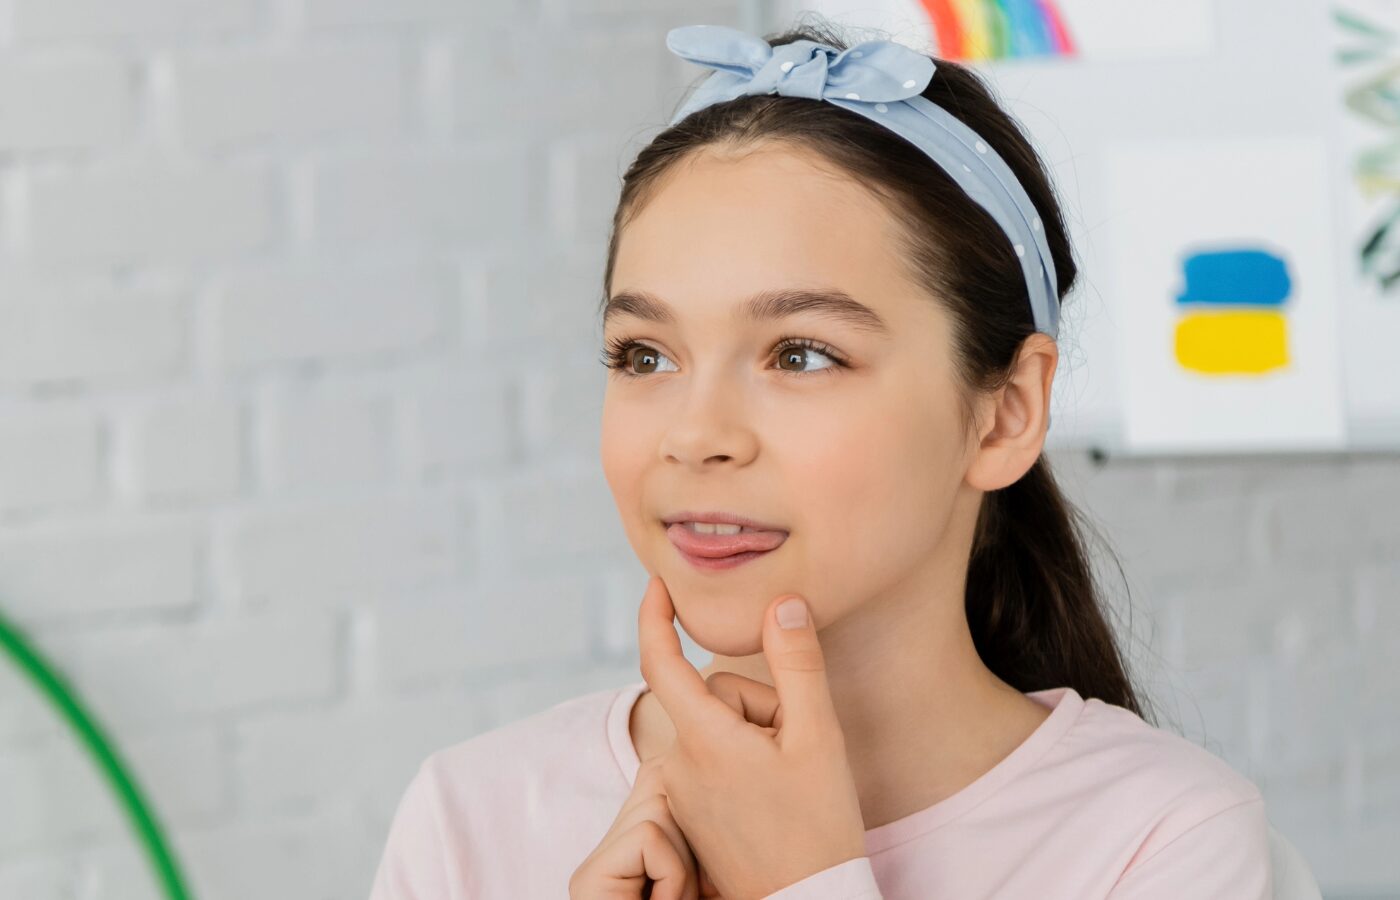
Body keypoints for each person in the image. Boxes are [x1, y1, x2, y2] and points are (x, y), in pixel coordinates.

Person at [368, 17, 1272, 899]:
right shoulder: (470, 817)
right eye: (645, 355)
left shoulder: (1165, 844)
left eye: (800, 354)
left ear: (1004, 414)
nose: (694, 433)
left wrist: (805, 881)